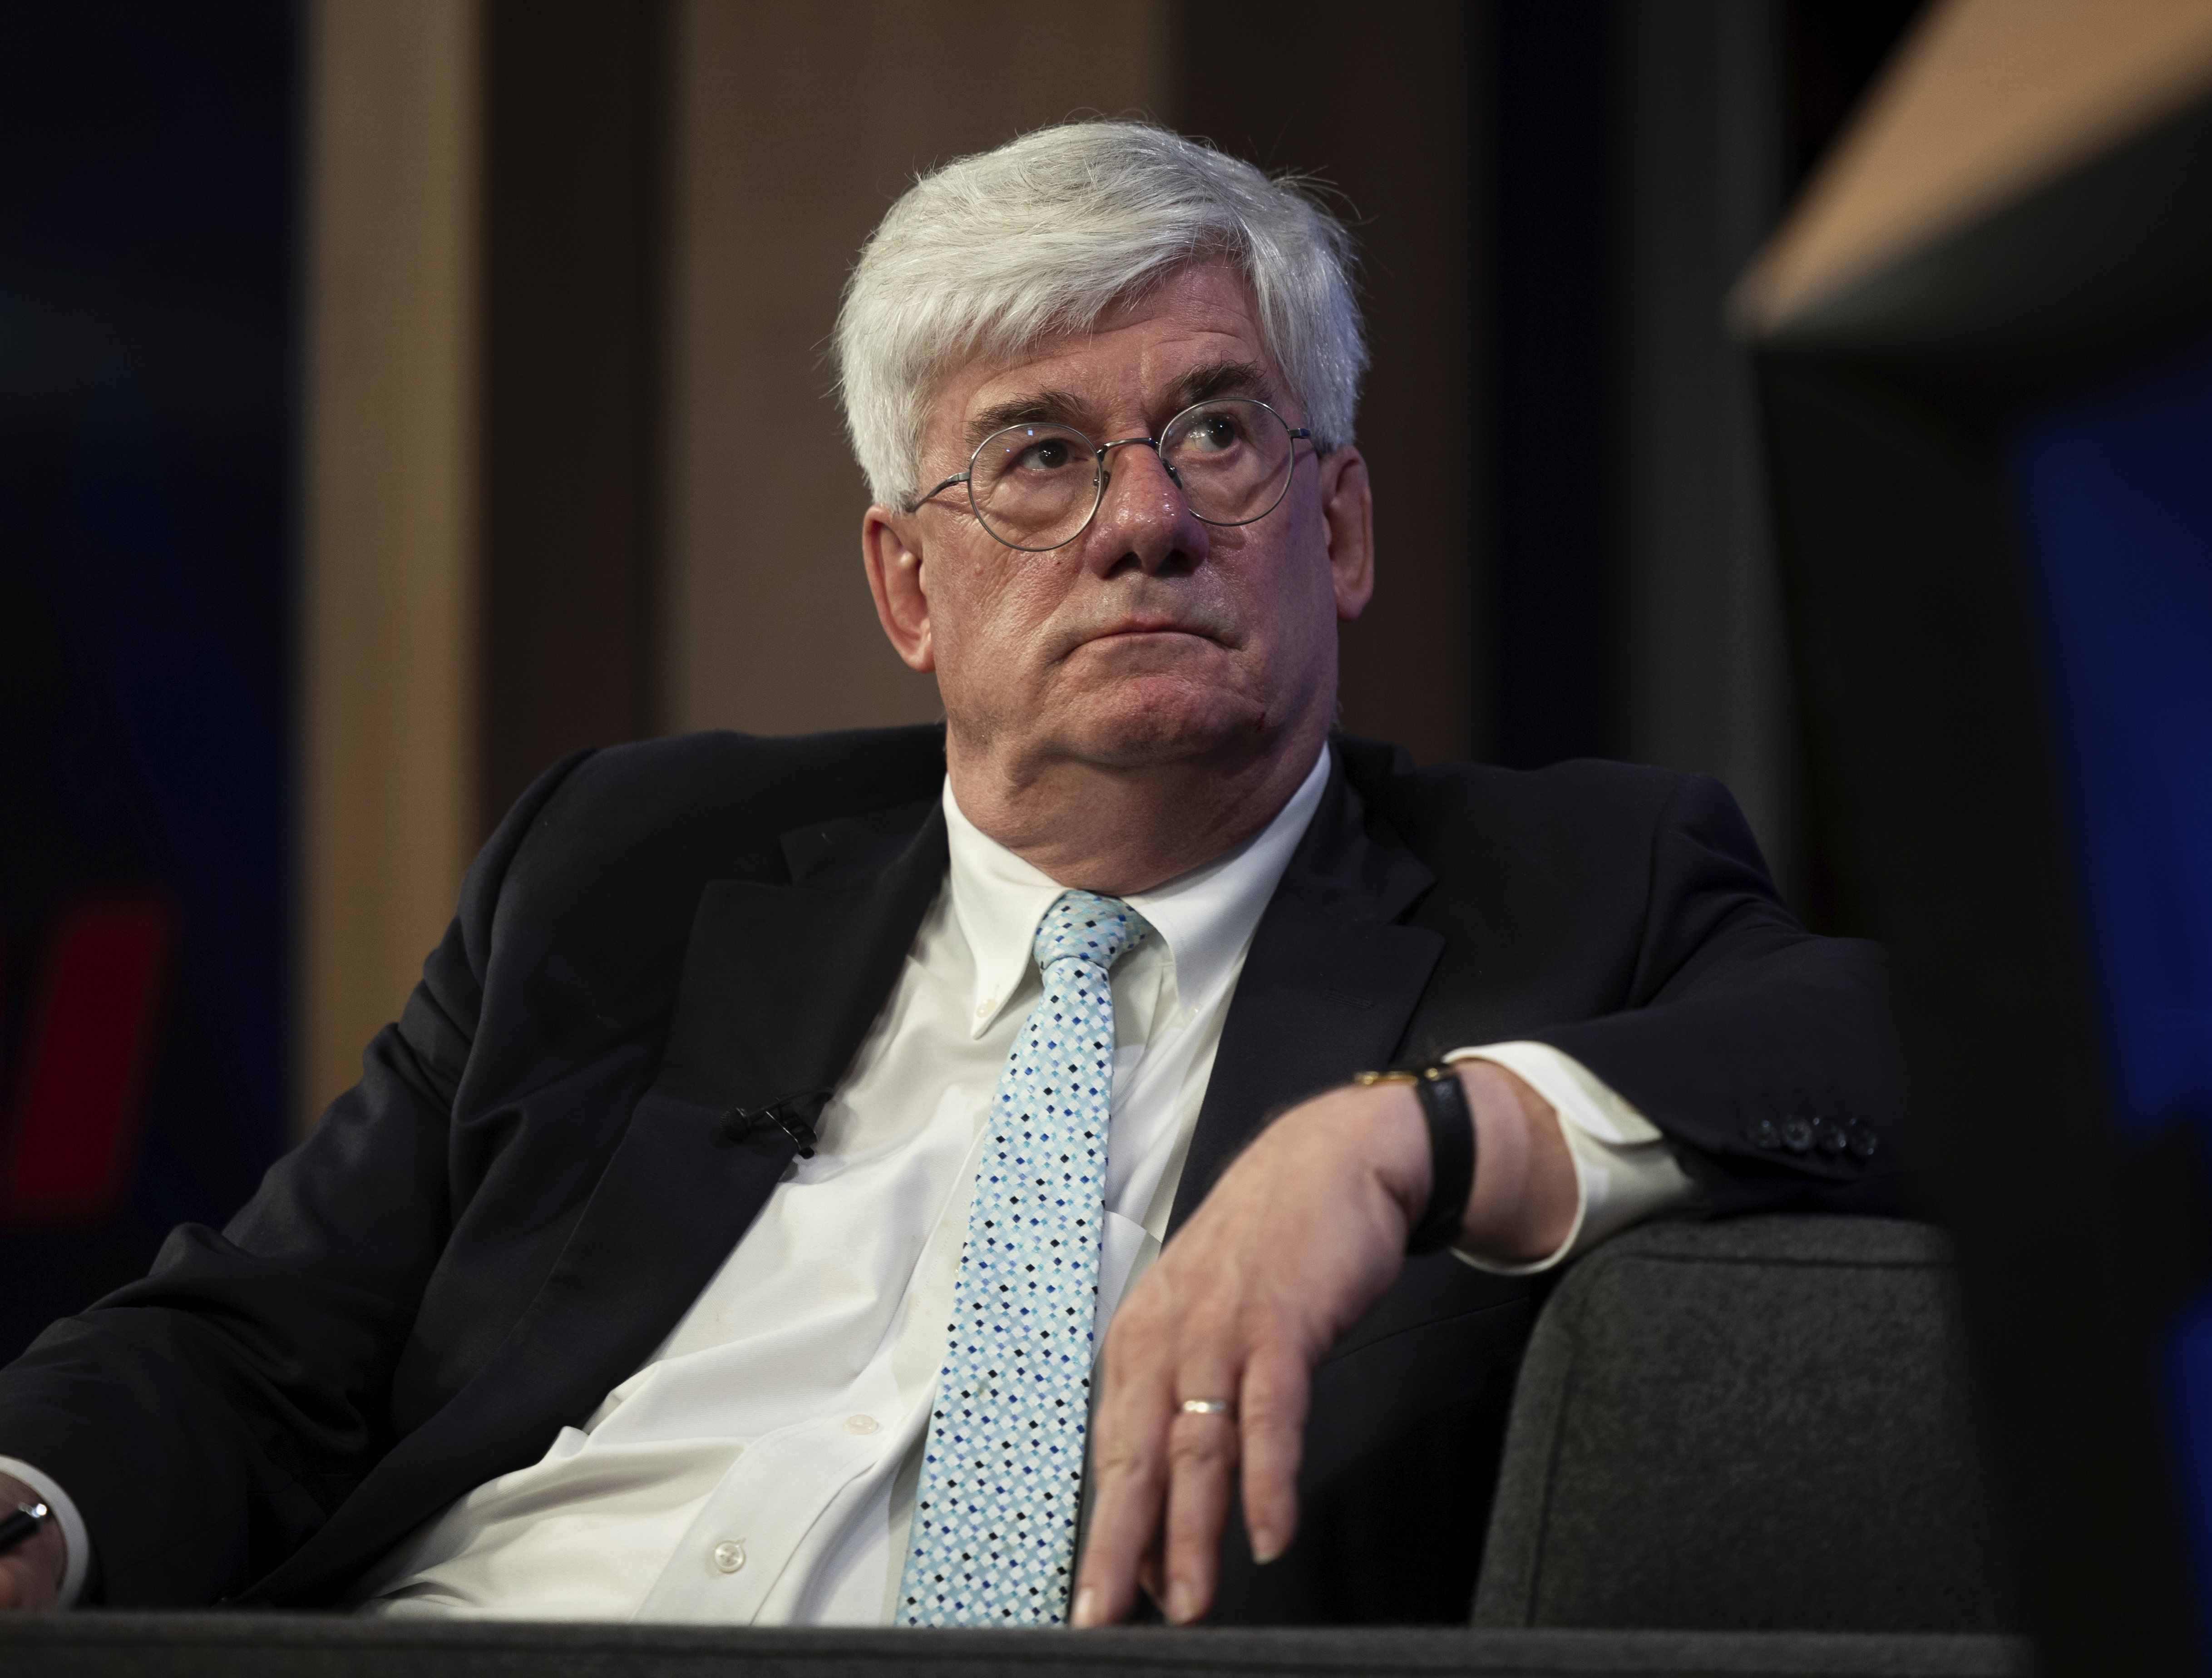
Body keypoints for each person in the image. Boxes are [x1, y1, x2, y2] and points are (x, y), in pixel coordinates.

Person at [0, 121, 1913, 1627]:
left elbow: (1922, 1053)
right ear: (909, 585)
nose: (1146, 522)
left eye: (1219, 432)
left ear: (1338, 525)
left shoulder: (1578, 885)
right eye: (1038, 457)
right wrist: (32, 1512)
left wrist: (1405, 1139)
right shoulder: (629, 868)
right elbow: (252, 1343)